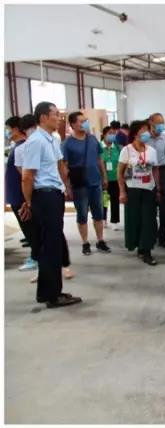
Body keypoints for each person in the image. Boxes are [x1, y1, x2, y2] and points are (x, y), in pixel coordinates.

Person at [21, 101, 82, 308]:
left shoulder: (52, 139)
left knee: (53, 245)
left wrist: (65, 187)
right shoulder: (36, 141)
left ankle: (48, 292)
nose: (59, 117)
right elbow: (27, 176)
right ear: (43, 118)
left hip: (54, 195)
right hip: (44, 197)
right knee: (50, 247)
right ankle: (52, 296)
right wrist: (30, 202)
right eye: (55, 114)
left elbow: (59, 167)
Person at [62, 112, 111, 256]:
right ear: (73, 124)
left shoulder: (92, 139)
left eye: (86, 120)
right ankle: (85, 242)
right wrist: (67, 185)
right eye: (81, 121)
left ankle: (100, 240)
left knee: (98, 214)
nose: (85, 123)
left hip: (95, 182)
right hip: (79, 184)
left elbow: (99, 159)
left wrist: (104, 176)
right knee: (82, 215)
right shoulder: (67, 143)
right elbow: (64, 165)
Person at [117, 120, 161, 266]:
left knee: (148, 220)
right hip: (132, 189)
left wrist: (158, 188)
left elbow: (155, 170)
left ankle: (146, 250)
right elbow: (120, 173)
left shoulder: (152, 151)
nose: (147, 133)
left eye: (148, 130)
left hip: (149, 189)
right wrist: (122, 191)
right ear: (135, 133)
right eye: (144, 130)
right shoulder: (127, 150)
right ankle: (138, 246)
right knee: (135, 219)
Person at [5, 116, 37, 271]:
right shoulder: (17, 146)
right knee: (27, 228)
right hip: (15, 194)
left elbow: (27, 176)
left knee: (30, 228)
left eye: (8, 129)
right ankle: (35, 255)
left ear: (17, 129)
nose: (7, 133)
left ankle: (36, 257)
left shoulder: (23, 147)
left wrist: (27, 198)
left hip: (21, 195)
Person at [148, 113, 165, 248]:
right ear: (151, 123)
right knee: (150, 206)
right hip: (148, 171)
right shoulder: (145, 138)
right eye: (158, 123)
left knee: (164, 206)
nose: (161, 125)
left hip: (163, 171)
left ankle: (162, 236)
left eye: (163, 122)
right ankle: (152, 233)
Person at [100, 126, 121, 231]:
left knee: (115, 200)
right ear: (104, 135)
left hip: (115, 178)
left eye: (114, 133)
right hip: (103, 178)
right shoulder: (99, 147)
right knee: (104, 200)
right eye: (110, 133)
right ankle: (103, 218)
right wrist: (104, 177)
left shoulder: (117, 147)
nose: (112, 135)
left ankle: (115, 221)